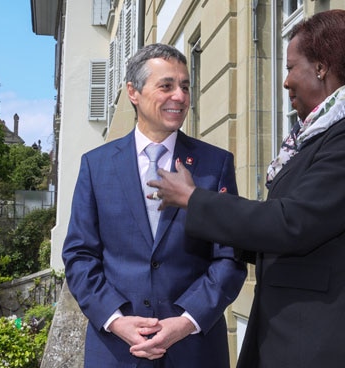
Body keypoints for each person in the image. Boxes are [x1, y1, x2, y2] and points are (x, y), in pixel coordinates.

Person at [149, 10, 345, 368]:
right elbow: (280, 237)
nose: (285, 82)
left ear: (322, 67)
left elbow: (290, 223)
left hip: (331, 346)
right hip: (296, 338)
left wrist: (194, 200)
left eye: (290, 67)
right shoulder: (318, 138)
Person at [62, 43, 247, 368]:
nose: (180, 96)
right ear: (133, 92)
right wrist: (116, 320)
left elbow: (229, 257)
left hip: (195, 351)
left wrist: (187, 320)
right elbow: (80, 256)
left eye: (185, 87)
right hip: (117, 352)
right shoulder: (96, 166)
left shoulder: (215, 164)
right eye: (167, 86)